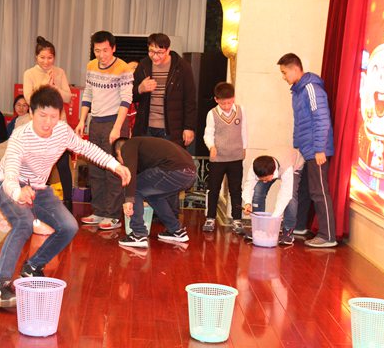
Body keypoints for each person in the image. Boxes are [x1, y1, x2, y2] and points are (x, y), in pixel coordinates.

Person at [0, 85, 130, 308]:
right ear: (31, 113)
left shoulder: (62, 131)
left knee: (68, 226)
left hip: (38, 187)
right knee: (23, 223)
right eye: (42, 115)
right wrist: (18, 192)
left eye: (53, 116)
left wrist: (115, 165)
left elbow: (86, 148)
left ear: (60, 115)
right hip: (7, 184)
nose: (47, 123)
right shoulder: (21, 136)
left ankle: (32, 267)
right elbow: (11, 171)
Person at [75, 31, 134, 230]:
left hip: (115, 122)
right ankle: (99, 211)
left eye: (105, 50)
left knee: (113, 170)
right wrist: (82, 120)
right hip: (96, 122)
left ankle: (112, 215)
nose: (102, 55)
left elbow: (126, 100)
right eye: (97, 50)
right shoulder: (91, 66)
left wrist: (117, 128)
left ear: (113, 48)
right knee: (95, 169)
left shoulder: (123, 68)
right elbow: (88, 94)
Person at [277, 53, 337, 248]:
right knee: (302, 189)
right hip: (305, 150)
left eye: (284, 72)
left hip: (316, 150)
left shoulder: (311, 88)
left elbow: (322, 119)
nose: (283, 77)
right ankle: (300, 226)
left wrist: (319, 149)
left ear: (295, 69)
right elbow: (300, 123)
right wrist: (297, 147)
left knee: (319, 191)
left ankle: (328, 236)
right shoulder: (298, 91)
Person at [113, 137, 196, 248]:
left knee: (134, 186)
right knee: (153, 195)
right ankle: (176, 230)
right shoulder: (147, 147)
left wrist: (129, 199)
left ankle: (138, 234)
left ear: (119, 152)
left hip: (174, 170)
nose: (121, 164)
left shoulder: (127, 145)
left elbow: (130, 175)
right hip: (190, 174)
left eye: (119, 160)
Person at [23, 36, 73, 210]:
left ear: (54, 57)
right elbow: (30, 99)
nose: (46, 61)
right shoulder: (29, 74)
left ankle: (68, 203)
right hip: (38, 128)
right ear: (36, 57)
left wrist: (55, 88)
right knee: (38, 166)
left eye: (50, 58)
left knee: (63, 164)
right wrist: (45, 85)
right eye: (42, 57)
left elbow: (68, 97)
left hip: (58, 125)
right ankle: (36, 202)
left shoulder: (59, 72)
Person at [132, 33, 197, 147]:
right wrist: (140, 89)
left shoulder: (182, 67)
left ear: (168, 50)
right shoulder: (143, 65)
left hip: (172, 129)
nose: (155, 56)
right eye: (151, 51)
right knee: (146, 157)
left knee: (170, 158)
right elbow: (131, 96)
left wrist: (189, 127)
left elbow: (190, 100)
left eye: (160, 52)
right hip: (146, 128)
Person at [203, 82, 247, 233]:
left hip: (235, 157)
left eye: (229, 102)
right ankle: (210, 218)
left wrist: (244, 147)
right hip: (218, 158)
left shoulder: (241, 110)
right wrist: (211, 146)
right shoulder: (212, 114)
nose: (227, 106)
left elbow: (244, 130)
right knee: (213, 189)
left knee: (236, 189)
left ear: (233, 98)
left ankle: (237, 220)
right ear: (216, 100)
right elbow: (208, 133)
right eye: (223, 103)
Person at [241, 148, 304, 245]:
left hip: (295, 164)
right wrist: (247, 203)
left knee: (291, 197)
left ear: (273, 172)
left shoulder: (287, 168)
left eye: (266, 179)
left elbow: (285, 195)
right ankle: (259, 228)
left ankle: (288, 231)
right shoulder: (256, 165)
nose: (264, 182)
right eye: (262, 179)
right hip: (277, 161)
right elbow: (249, 184)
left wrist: (273, 220)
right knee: (258, 190)